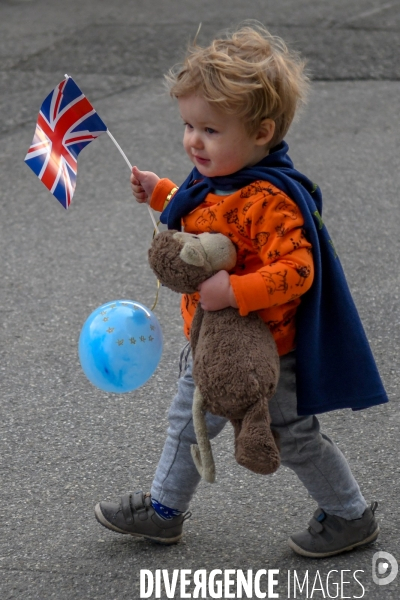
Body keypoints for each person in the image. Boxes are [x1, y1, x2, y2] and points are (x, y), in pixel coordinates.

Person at [94, 23, 388, 558]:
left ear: (260, 132)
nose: (193, 141)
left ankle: (350, 515)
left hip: (266, 354)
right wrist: (161, 191)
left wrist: (236, 290)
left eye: (209, 130)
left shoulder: (270, 199)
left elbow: (298, 271)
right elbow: (203, 216)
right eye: (188, 125)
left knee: (294, 437)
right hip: (206, 343)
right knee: (185, 424)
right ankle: (164, 510)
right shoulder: (217, 179)